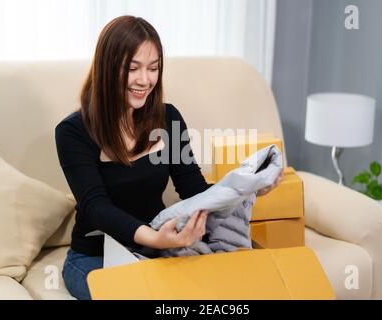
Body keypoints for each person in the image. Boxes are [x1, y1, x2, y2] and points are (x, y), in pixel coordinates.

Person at [55, 15, 282, 300]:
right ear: (107, 68)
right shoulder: (72, 131)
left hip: (157, 248)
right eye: (132, 68)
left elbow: (194, 190)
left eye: (153, 68)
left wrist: (246, 189)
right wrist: (154, 237)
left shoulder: (167, 118)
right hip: (94, 257)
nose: (145, 80)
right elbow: (96, 208)